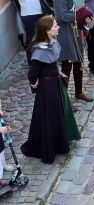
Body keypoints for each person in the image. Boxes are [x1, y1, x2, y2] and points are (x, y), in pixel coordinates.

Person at [21, 16, 71, 164]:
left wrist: (57, 72)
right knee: (48, 117)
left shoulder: (52, 42)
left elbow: (52, 64)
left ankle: (59, 145)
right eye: (55, 26)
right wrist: (34, 84)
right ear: (48, 31)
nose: (58, 27)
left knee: (56, 116)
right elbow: (33, 73)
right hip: (47, 89)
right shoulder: (39, 51)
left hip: (54, 85)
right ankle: (48, 149)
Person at [54, 0, 94, 103]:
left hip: (77, 31)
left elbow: (81, 9)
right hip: (65, 32)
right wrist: (80, 16)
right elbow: (62, 16)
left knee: (79, 63)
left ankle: (79, 92)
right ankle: (63, 100)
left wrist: (85, 19)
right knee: (67, 64)